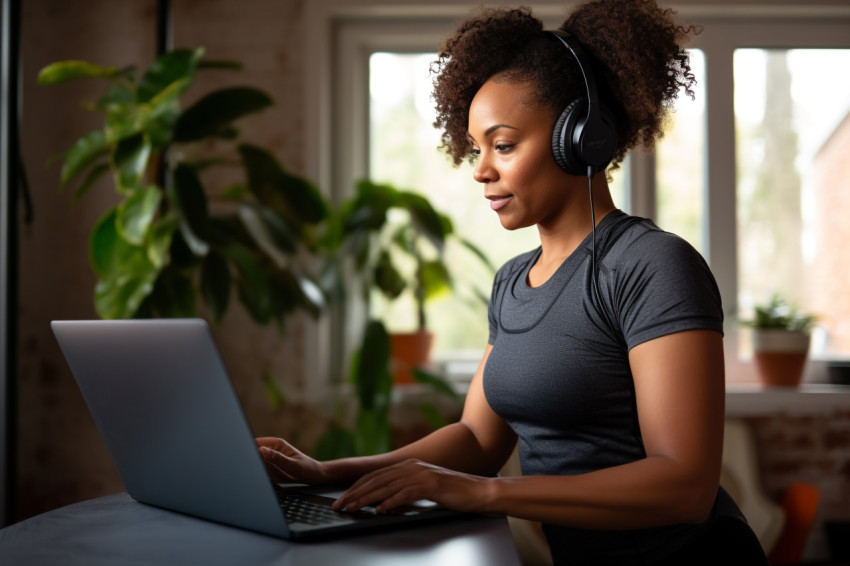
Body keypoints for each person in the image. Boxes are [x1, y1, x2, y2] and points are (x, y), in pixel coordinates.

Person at [258, 1, 770, 564]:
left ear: (580, 137)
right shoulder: (511, 282)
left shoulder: (652, 266)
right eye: (477, 148)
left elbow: (686, 488)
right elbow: (477, 441)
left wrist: (485, 494)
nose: (479, 169)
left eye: (502, 145)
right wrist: (324, 471)